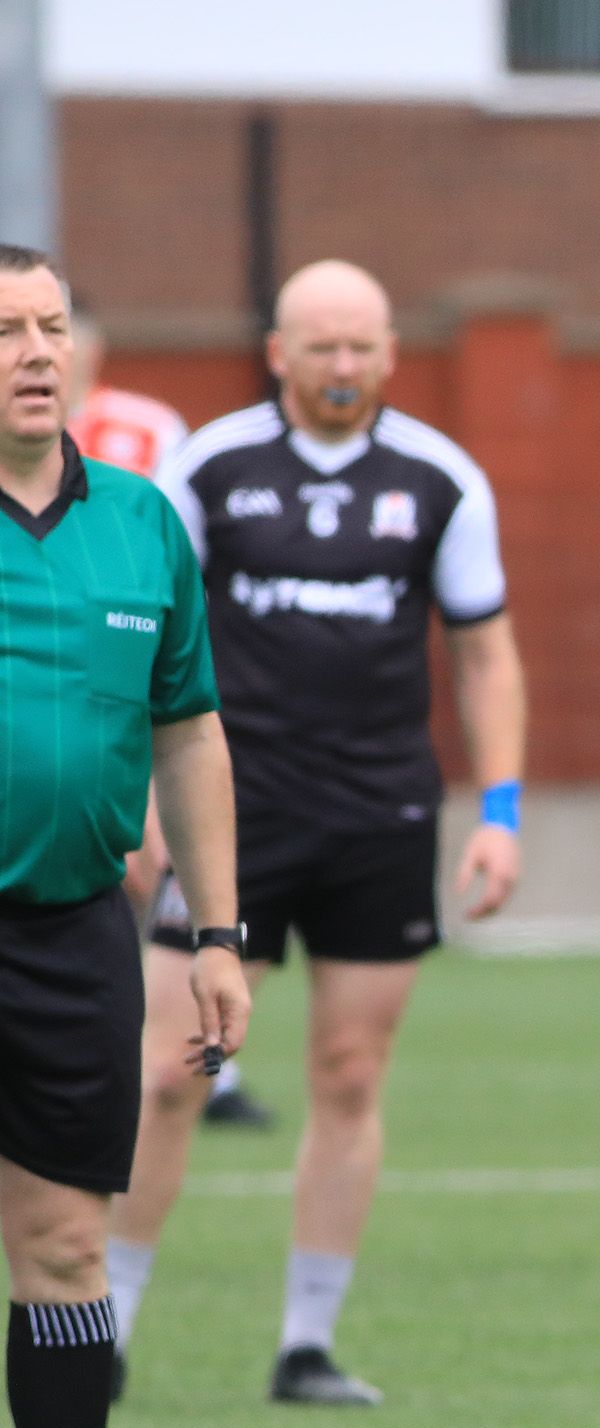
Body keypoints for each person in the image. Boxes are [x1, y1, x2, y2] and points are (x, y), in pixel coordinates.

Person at [106, 259, 526, 1407]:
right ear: (278, 352)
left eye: (363, 346)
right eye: (321, 346)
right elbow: (143, 636)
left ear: (391, 352)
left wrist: (499, 811)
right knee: (168, 1074)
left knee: (348, 1072)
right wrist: (143, 791)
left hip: (379, 810)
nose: (344, 367)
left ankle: (306, 1343)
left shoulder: (441, 479)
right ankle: (108, 1331)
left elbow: (484, 653)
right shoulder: (212, 469)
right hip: (229, 815)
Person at [0, 244, 251, 1428]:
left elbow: (191, 728)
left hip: (74, 930)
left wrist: (214, 929)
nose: (37, 351)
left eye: (51, 327)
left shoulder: (143, 525)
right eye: (7, 331)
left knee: (65, 1240)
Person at [64, 314, 276, 1135]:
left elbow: (180, 584)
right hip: (55, 710)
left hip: (135, 698)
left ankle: (193, 1068)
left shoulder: (150, 433)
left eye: (61, 329)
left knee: (153, 887)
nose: (49, 350)